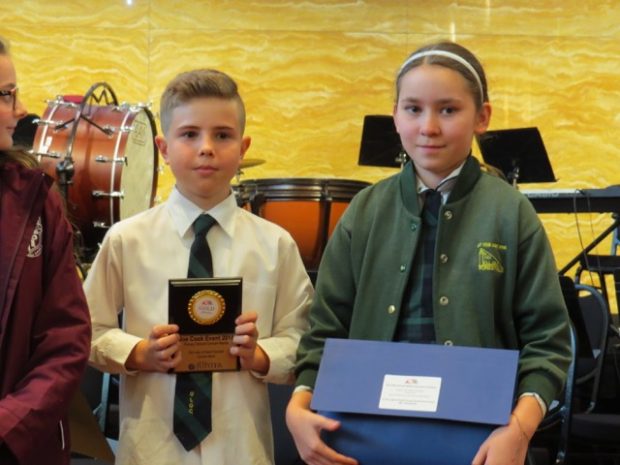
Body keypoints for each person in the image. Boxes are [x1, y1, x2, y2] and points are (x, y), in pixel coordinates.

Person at [286, 41, 572, 465]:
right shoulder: (364, 211)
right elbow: (324, 331)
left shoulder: (511, 213)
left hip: (482, 444)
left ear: (482, 117)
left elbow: (547, 342)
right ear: (395, 116)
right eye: (413, 109)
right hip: (363, 441)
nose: (428, 127)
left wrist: (520, 429)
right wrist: (297, 407)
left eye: (448, 110)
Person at [85, 68, 313, 465]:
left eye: (222, 135)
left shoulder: (276, 245)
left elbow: (304, 339)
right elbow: (86, 329)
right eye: (189, 134)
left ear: (243, 148)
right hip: (151, 451)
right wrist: (138, 353)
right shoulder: (126, 240)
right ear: (163, 148)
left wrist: (259, 355)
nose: (206, 148)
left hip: (240, 450)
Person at [0, 36, 92, 464]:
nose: (21, 110)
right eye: (7, 94)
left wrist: (8, 426)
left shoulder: (36, 199)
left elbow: (66, 339)